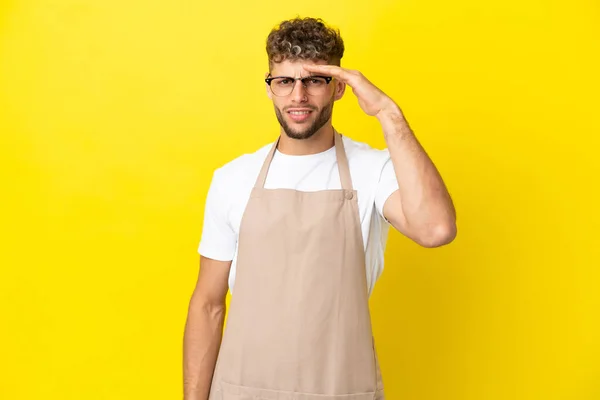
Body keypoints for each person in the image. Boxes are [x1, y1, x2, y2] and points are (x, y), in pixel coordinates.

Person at [183, 16, 456, 400]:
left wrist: (388, 113)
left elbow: (436, 230)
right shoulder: (232, 178)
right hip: (241, 390)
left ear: (339, 87)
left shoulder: (373, 170)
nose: (298, 96)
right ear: (270, 87)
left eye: (314, 80)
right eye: (285, 81)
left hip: (338, 390)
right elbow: (208, 305)